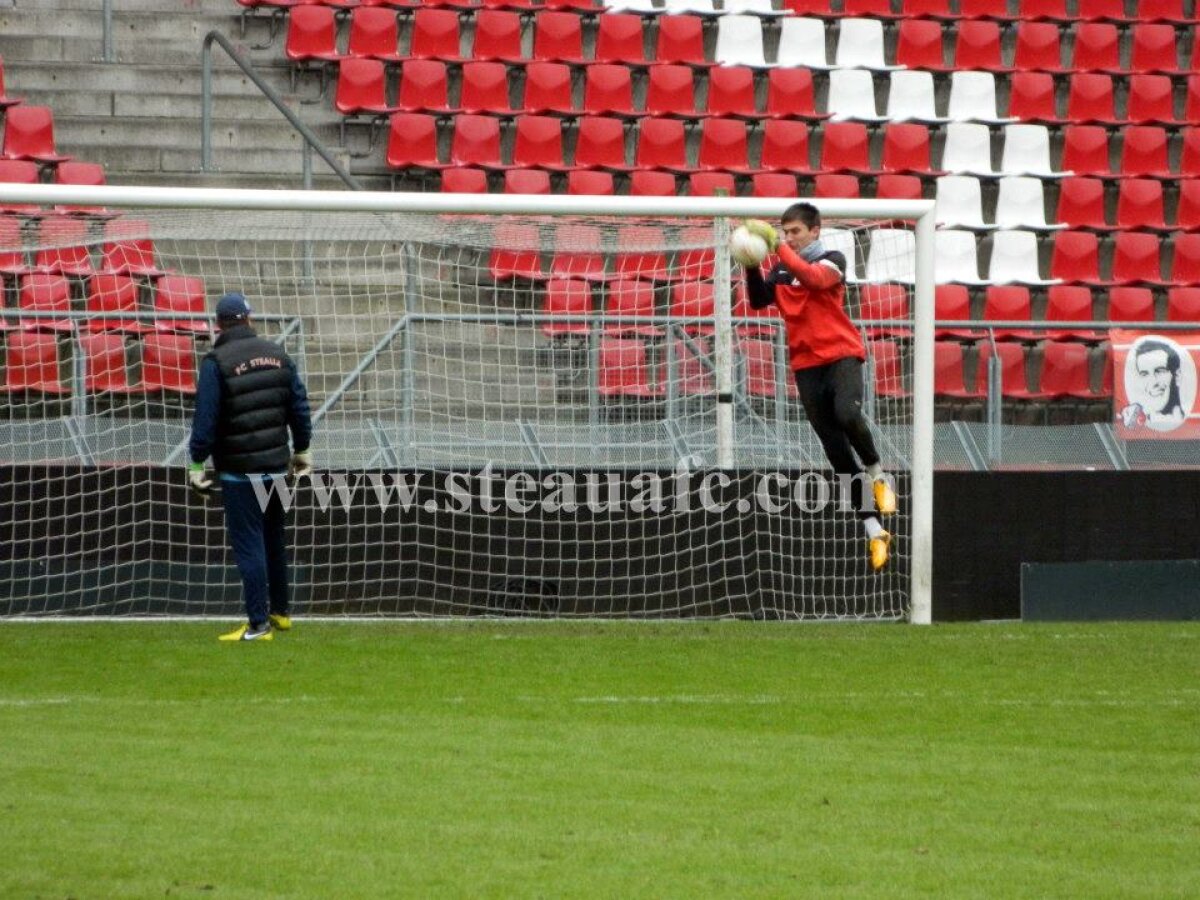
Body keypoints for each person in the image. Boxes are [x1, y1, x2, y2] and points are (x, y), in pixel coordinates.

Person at [741, 205, 897, 570]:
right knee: (835, 450)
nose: (790, 237)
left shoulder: (833, 259)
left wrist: (780, 248)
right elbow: (758, 300)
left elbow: (813, 279)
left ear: (815, 230)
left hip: (841, 355)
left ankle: (877, 474)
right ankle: (874, 530)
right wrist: (749, 262)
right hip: (806, 365)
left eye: (795, 231)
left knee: (847, 413)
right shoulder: (781, 270)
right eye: (786, 232)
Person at [188, 292, 313, 641]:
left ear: (219, 324)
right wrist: (302, 449)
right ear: (249, 320)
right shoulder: (278, 355)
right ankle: (281, 613)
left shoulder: (216, 362)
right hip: (276, 468)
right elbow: (299, 409)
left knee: (249, 545)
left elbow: (205, 419)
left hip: (239, 471)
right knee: (274, 540)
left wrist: (197, 462)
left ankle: (258, 625)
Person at [1120, 338, 1186, 430]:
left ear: (1177, 375)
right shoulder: (1134, 419)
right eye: (1144, 374)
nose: (1152, 382)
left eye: (1160, 371)